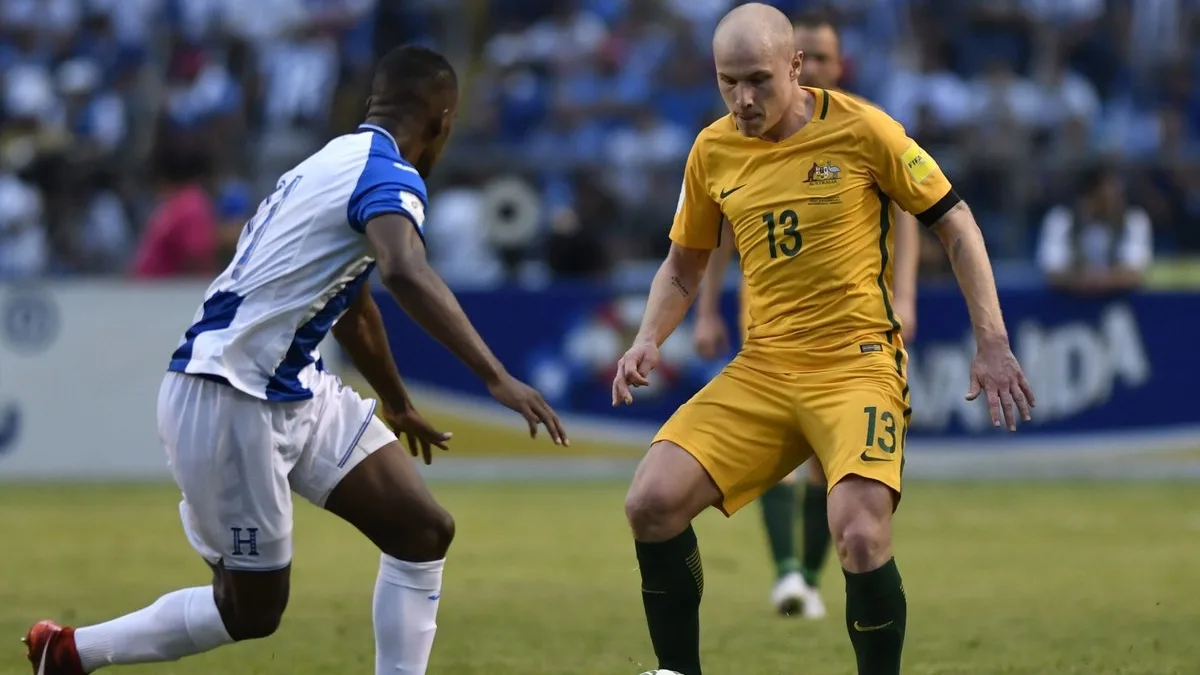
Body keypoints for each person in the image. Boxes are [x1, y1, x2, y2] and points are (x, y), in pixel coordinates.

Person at [25, 45, 568, 675]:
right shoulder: (387, 175)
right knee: (251, 612)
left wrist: (395, 400)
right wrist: (495, 377)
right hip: (230, 397)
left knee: (421, 530)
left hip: (293, 386)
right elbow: (403, 269)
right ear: (443, 120)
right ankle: (69, 652)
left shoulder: (328, 161)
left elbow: (355, 299)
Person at [612, 5, 1033, 675]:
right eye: (729, 83)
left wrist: (993, 338)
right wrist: (648, 337)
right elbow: (684, 264)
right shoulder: (712, 149)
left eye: (759, 80)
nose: (744, 100)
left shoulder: (865, 130)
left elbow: (956, 224)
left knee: (861, 535)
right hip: (764, 366)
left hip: (856, 364)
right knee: (650, 502)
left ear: (796, 67)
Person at [691, 10, 921, 620]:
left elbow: (919, 216)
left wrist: (907, 298)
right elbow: (713, 236)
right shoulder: (727, 142)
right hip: (765, 326)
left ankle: (811, 575)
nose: (815, 67)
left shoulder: (863, 131)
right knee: (769, 452)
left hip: (849, 335)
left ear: (827, 66)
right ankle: (789, 572)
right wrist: (707, 310)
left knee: (830, 470)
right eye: (809, 56)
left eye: (822, 59)